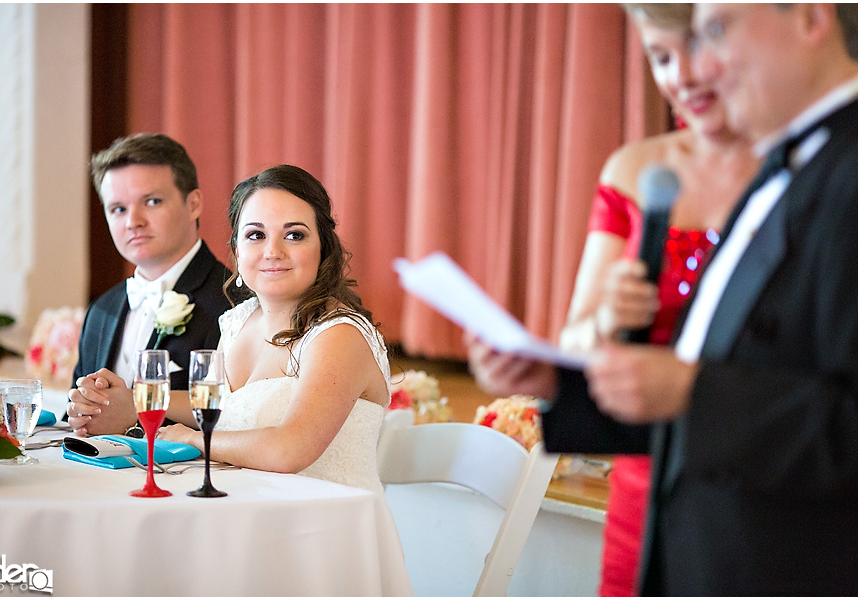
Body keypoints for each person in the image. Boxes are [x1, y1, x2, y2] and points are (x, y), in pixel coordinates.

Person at [468, 3, 857, 595]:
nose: (700, 67)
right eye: (680, 46)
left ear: (810, 18)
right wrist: (560, 382)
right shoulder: (790, 169)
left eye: (717, 32)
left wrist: (690, 392)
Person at [556, 4, 757, 596]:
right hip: (647, 475)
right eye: (661, 57)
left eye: (695, 49)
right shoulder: (634, 169)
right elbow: (574, 339)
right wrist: (609, 318)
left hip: (758, 467)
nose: (682, 77)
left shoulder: (806, 170)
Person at [157, 165, 391, 494]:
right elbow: (215, 406)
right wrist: (137, 403)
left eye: (294, 235)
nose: (273, 252)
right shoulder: (238, 322)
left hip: (324, 523)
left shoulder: (339, 335)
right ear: (237, 251)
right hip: (250, 508)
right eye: (256, 235)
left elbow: (290, 450)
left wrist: (193, 439)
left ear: (323, 247)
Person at [67, 133, 231, 436]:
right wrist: (81, 409)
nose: (133, 221)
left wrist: (135, 415)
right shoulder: (101, 310)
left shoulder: (233, 301)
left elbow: (238, 417)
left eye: (152, 202)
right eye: (118, 209)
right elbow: (77, 406)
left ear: (193, 204)